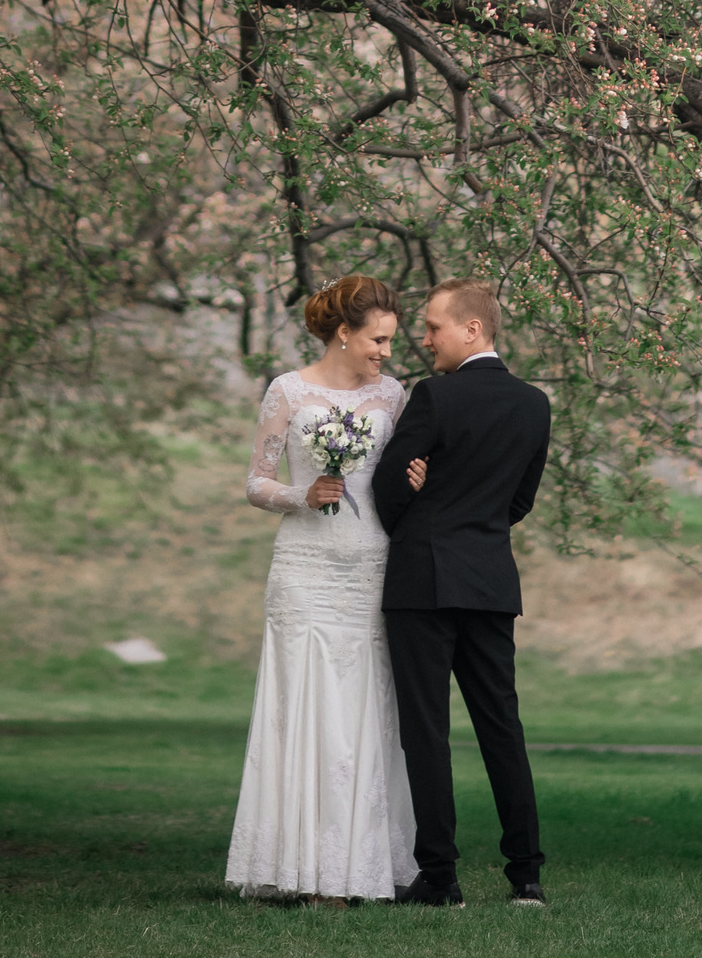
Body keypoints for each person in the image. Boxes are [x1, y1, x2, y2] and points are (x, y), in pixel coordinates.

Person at [226, 273, 419, 901]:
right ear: (344, 332)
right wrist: (301, 495)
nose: (387, 351)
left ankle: (357, 869)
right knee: (301, 711)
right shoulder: (287, 390)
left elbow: (400, 477)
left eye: (391, 340)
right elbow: (256, 484)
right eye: (378, 339)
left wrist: (418, 476)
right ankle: (299, 871)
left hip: (370, 567)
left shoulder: (393, 396)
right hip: (303, 569)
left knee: (365, 713)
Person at [372, 280, 552, 908]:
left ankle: (441, 878)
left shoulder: (434, 397)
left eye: (433, 328)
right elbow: (519, 501)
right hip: (489, 579)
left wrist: (423, 497)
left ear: (472, 329)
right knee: (502, 725)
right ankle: (526, 874)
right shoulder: (534, 405)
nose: (424, 340)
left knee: (427, 730)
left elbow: (387, 491)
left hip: (422, 580)